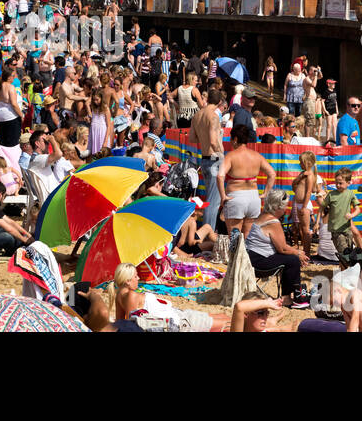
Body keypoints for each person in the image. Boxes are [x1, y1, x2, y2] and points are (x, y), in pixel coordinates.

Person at [113, 262, 226, 332]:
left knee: (222, 316)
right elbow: (131, 324)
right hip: (178, 322)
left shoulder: (119, 295)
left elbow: (120, 321)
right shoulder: (131, 296)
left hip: (178, 315)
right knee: (226, 322)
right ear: (127, 281)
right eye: (135, 276)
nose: (138, 279)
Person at [244, 191, 311, 307]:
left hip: (249, 258)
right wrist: (298, 253)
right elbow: (282, 249)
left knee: (290, 257)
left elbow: (281, 246)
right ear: (278, 206)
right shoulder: (273, 222)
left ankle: (290, 295)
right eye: (285, 206)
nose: (286, 209)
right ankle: (287, 297)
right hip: (258, 263)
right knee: (292, 260)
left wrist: (296, 251)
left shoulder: (263, 215)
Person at [218, 124, 274, 238]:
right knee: (248, 236)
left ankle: (236, 256)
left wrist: (223, 196)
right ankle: (247, 256)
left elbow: (220, 176)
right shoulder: (256, 156)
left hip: (236, 197)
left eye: (231, 139)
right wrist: (266, 193)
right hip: (253, 198)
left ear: (235, 139)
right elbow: (272, 174)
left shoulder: (231, 156)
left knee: (234, 238)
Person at [192, 88, 225, 229]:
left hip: (204, 159)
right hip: (214, 159)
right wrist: (222, 152)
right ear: (219, 102)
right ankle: (207, 235)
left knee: (210, 199)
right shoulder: (213, 116)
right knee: (213, 202)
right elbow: (213, 141)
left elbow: (192, 138)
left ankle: (207, 233)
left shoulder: (198, 115)